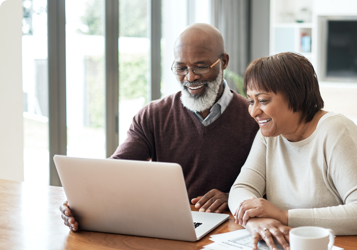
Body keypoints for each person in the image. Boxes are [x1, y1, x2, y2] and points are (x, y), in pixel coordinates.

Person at [60, 23, 259, 231]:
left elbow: (273, 192)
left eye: (200, 66)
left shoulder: (254, 118)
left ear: (224, 62)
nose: (190, 77)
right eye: (181, 68)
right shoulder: (153, 115)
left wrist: (233, 197)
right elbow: (115, 172)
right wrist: (81, 203)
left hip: (230, 231)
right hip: (168, 228)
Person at [229, 52, 357, 250]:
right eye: (251, 101)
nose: (254, 111)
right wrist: (255, 222)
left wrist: (284, 216)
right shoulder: (269, 135)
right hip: (310, 247)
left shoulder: (336, 131)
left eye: (263, 100)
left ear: (296, 97)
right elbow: (241, 188)